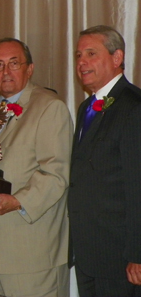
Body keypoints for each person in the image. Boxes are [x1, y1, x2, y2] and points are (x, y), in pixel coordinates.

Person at [0, 38, 73, 297]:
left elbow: (56, 174)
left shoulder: (50, 107)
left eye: (14, 63)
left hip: (31, 248)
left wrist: (18, 201)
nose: (6, 72)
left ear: (30, 69)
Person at [69, 25, 141, 296]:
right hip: (88, 251)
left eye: (91, 53)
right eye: (78, 55)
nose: (82, 62)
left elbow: (138, 185)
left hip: (119, 254)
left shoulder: (134, 106)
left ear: (117, 57)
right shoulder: (85, 107)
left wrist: (138, 252)